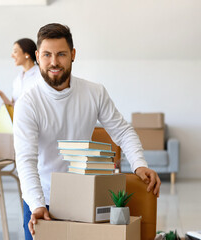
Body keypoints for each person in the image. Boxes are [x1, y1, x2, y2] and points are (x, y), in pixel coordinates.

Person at [13, 23, 162, 240]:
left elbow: (122, 131)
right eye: (47, 55)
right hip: (42, 199)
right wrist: (36, 204)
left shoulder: (94, 92)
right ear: (37, 56)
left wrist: (139, 164)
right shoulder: (28, 103)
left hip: (84, 197)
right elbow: (26, 160)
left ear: (73, 55)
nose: (54, 62)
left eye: (61, 54)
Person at [0, 38, 41, 106]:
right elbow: (14, 107)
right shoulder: (17, 79)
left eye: (15, 52)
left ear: (27, 54)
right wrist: (0, 94)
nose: (12, 55)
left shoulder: (40, 75)